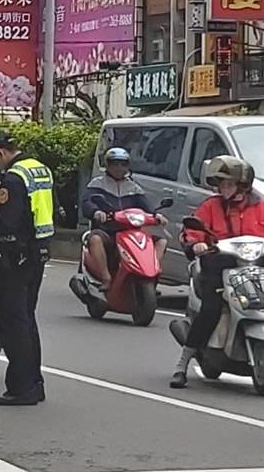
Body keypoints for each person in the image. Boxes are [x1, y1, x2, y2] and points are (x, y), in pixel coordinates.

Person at [170, 155, 264, 388]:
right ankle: (182, 364)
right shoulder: (211, 206)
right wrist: (196, 243)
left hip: (255, 266)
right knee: (211, 308)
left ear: (243, 185)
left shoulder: (260, 206)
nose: (223, 188)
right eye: (221, 184)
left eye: (228, 184)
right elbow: (192, 229)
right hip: (219, 265)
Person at [0, 130, 53, 406]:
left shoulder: (13, 178)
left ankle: (21, 387)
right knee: (27, 319)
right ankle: (35, 383)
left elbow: (7, 222)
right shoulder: (39, 169)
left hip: (15, 256)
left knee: (13, 322)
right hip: (37, 252)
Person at [82, 147, 168, 291]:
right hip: (108, 231)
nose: (119, 168)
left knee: (161, 242)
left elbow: (146, 205)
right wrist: (96, 212)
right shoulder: (97, 184)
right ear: (107, 165)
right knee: (95, 239)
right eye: (114, 164)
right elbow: (87, 202)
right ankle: (106, 277)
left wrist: (156, 215)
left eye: (123, 164)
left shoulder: (133, 187)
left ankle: (151, 276)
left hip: (131, 232)